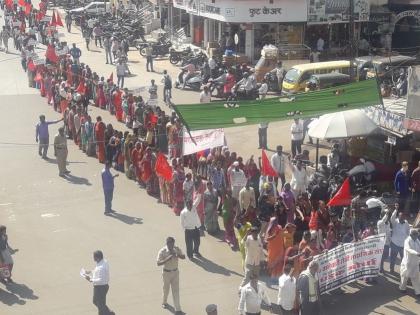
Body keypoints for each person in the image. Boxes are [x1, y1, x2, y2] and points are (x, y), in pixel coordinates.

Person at [157, 237, 185, 314]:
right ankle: (164, 302)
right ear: (167, 243)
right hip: (166, 273)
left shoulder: (176, 249)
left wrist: (177, 254)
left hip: (175, 272)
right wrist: (168, 258)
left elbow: (183, 257)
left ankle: (178, 309)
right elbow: (158, 263)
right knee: (166, 289)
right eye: (170, 244)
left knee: (176, 290)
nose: (171, 246)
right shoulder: (162, 251)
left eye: (173, 244)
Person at [83, 250, 115, 315]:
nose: (93, 258)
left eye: (93, 257)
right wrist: (90, 271)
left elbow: (101, 279)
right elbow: (97, 270)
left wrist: (91, 279)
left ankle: (108, 313)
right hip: (99, 287)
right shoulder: (103, 261)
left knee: (100, 305)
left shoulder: (101, 268)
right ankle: (109, 313)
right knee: (95, 301)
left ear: (97, 258)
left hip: (101, 287)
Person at [180, 194, 202, 259]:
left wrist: (199, 194)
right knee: (189, 245)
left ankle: (196, 252)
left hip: (195, 228)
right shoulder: (183, 212)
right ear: (186, 204)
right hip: (188, 230)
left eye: (191, 204)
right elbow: (182, 223)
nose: (190, 205)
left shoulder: (194, 207)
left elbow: (198, 200)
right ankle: (190, 255)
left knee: (197, 242)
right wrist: (185, 230)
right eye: (188, 204)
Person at [399, 229, 420, 295]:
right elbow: (408, 249)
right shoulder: (407, 241)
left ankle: (418, 292)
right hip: (408, 263)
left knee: (415, 277)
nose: (416, 236)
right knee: (405, 276)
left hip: (416, 262)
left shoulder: (417, 241)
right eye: (415, 235)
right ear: (411, 235)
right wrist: (417, 253)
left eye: (417, 235)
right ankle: (402, 288)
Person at [389, 207, 410, 274]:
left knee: (403, 259)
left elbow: (408, 231)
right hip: (394, 243)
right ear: (398, 216)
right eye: (401, 216)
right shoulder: (395, 222)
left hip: (403, 244)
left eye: (403, 216)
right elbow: (392, 218)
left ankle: (402, 270)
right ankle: (391, 269)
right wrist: (396, 209)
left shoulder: (406, 222)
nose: (402, 217)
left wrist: (408, 239)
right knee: (393, 258)